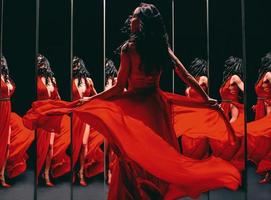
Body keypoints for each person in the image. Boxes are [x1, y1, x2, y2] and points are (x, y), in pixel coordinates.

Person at [24, 4, 241, 199]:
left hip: (138, 107)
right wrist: (206, 99)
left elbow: (119, 87)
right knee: (154, 158)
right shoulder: (160, 47)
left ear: (143, 23)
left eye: (135, 16)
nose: (131, 19)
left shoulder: (130, 48)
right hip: (156, 107)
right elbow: (186, 77)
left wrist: (93, 99)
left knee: (138, 159)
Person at [35, 54, 70, 186]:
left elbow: (58, 98)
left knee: (50, 146)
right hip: (40, 114)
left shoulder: (52, 79)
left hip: (51, 114)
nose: (41, 64)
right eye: (38, 62)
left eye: (42, 61)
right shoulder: (36, 78)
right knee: (41, 145)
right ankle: (38, 173)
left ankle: (46, 173)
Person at [0, 56, 34, 187]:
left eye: (2, 60)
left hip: (7, 111)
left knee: (8, 144)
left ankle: (2, 175)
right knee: (3, 144)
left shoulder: (6, 77)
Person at [72, 56, 103, 186]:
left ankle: (81, 172)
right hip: (75, 114)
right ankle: (73, 170)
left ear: (81, 65)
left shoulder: (88, 80)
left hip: (86, 114)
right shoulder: (71, 80)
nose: (74, 67)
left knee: (84, 144)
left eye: (76, 64)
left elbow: (96, 95)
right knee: (75, 144)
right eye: (73, 65)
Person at [247, 52, 271, 184]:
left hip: (268, 111)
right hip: (261, 110)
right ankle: (268, 172)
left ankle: (268, 171)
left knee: (265, 140)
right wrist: (258, 105)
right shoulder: (263, 75)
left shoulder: (268, 74)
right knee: (263, 141)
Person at [218, 56, 244, 171]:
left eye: (228, 64)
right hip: (224, 109)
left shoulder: (234, 77)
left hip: (234, 109)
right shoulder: (227, 79)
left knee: (229, 136)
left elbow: (244, 89)